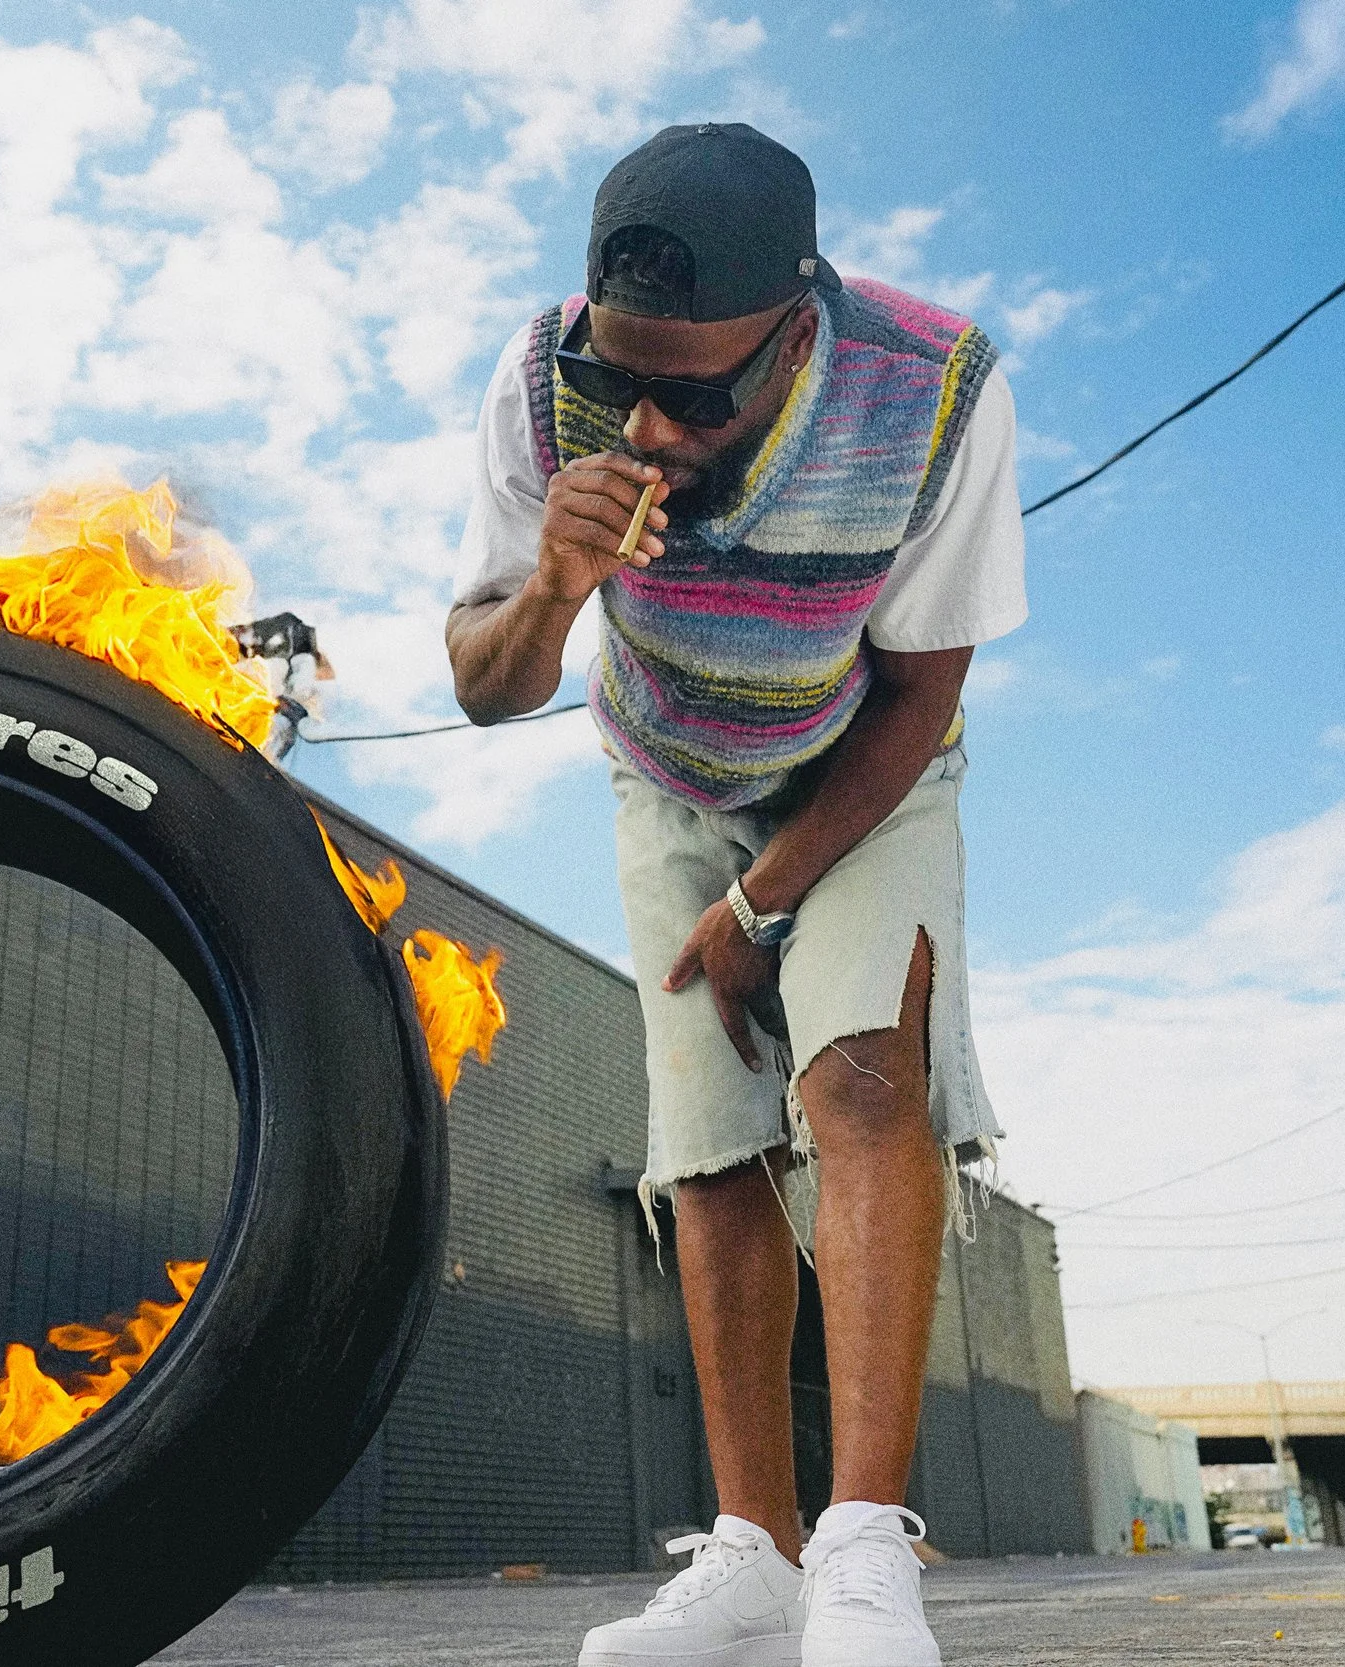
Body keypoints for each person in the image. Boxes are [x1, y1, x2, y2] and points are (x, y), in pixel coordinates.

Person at [446, 123, 1027, 1667]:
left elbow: (919, 695)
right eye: (623, 373)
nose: (650, 420)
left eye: (698, 394)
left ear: (799, 326)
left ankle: (859, 1555)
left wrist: (766, 901)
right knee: (705, 1150)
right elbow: (483, 687)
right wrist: (555, 590)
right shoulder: (537, 384)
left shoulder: (932, 389)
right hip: (665, 764)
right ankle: (756, 1559)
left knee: (858, 1077)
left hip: (864, 759)